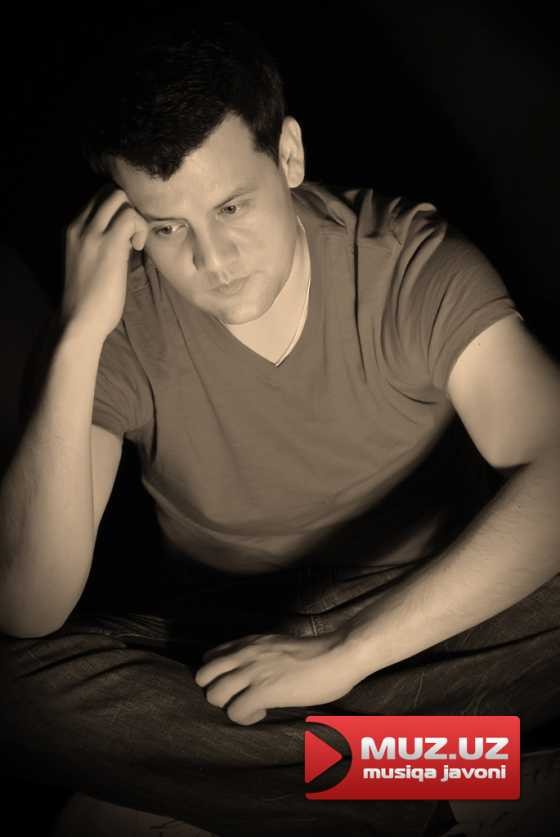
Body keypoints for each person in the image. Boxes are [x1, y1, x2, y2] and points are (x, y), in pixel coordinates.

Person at [1, 10, 560, 837]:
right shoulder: (117, 326)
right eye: (168, 228)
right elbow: (28, 605)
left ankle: (310, 782)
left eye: (232, 206)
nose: (214, 260)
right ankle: (458, 772)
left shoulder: (407, 262)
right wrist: (77, 333)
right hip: (239, 641)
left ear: (288, 155)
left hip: (431, 613)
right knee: (16, 684)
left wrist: (349, 650)